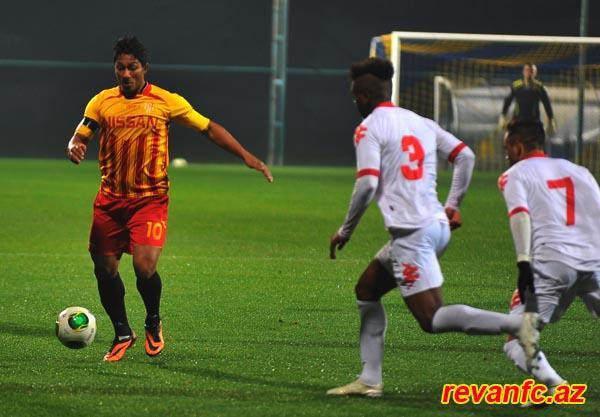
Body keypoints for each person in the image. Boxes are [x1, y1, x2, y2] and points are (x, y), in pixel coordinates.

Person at [327, 57, 526, 398]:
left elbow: (367, 183)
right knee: (367, 289)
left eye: (354, 97)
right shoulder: (420, 121)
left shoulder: (369, 128)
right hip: (435, 226)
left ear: (362, 96)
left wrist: (345, 230)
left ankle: (517, 324)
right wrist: (453, 204)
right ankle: (370, 379)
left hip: (412, 235)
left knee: (432, 319)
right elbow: (465, 155)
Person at [67, 36, 273, 362]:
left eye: (132, 67)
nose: (126, 74)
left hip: (149, 200)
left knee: (144, 266)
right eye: (120, 68)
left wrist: (246, 155)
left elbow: (208, 128)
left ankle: (152, 320)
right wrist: (75, 145)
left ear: (144, 68)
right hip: (110, 200)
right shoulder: (102, 101)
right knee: (105, 270)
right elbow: (82, 132)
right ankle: (122, 332)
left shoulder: (166, 101)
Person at [499, 120, 600, 400]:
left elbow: (520, 215)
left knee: (515, 337)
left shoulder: (514, 174)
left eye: (507, 148)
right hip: (594, 260)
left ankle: (555, 384)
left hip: (554, 264)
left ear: (517, 146)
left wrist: (524, 263)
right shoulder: (579, 171)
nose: (506, 155)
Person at [499, 63, 556, 136]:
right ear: (523, 72)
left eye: (531, 71)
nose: (529, 73)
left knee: (540, 137)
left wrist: (551, 120)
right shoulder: (516, 85)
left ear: (535, 73)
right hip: (517, 120)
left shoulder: (539, 87)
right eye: (527, 70)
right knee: (507, 138)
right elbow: (508, 101)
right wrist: (503, 116)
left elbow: (547, 104)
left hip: (534, 122)